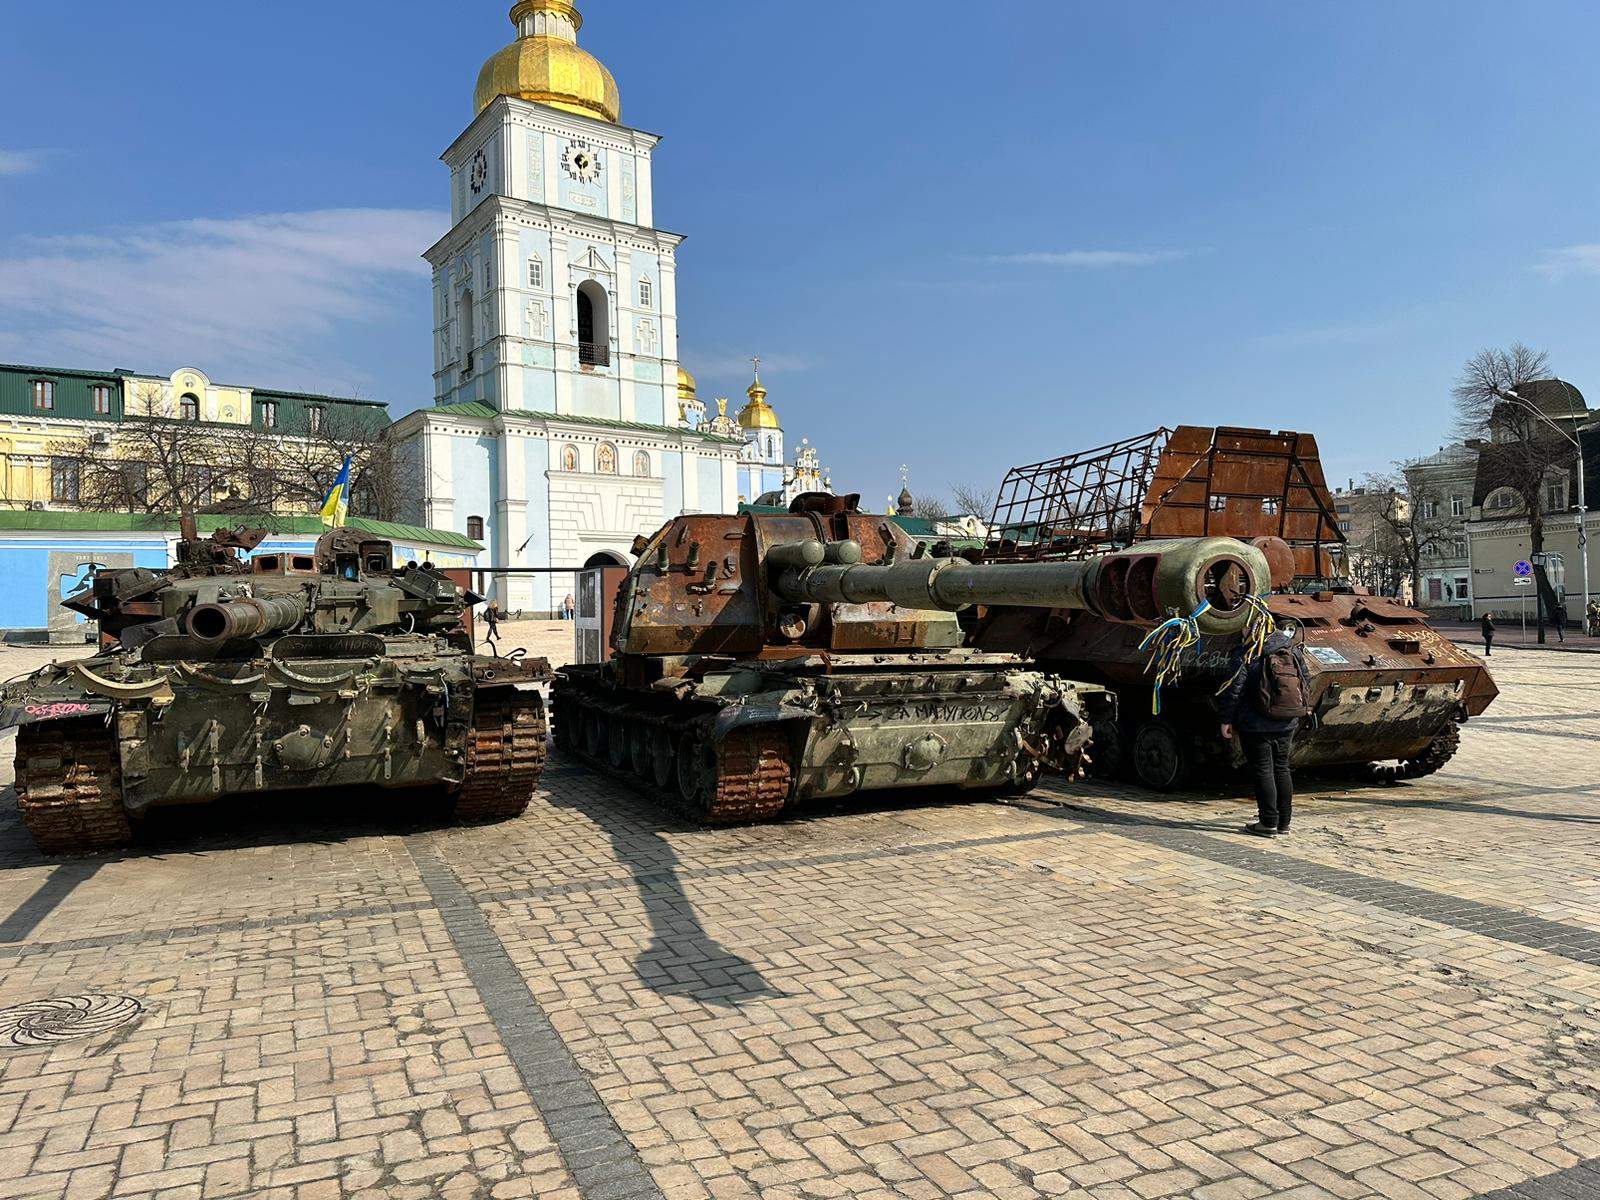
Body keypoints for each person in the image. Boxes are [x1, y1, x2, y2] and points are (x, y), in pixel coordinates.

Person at [1219, 619, 1311, 837]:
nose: (1242, 631)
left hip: (1255, 722)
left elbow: (1234, 689)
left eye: (1244, 627)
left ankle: (1268, 822)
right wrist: (1301, 708)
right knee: (1282, 768)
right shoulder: (1291, 649)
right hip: (1287, 719)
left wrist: (1226, 720)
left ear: (1253, 628)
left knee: (1263, 769)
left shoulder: (1248, 652)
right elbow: (1305, 679)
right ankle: (1284, 822)